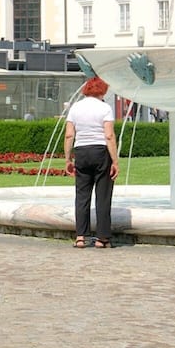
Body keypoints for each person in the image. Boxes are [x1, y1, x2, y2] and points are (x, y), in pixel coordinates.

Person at [63, 77, 119, 248]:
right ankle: (102, 238)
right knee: (103, 196)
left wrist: (67, 159)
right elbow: (109, 135)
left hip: (81, 151)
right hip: (101, 151)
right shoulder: (105, 108)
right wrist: (115, 161)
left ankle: (81, 236)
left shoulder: (75, 108)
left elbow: (69, 135)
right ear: (102, 91)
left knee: (82, 196)